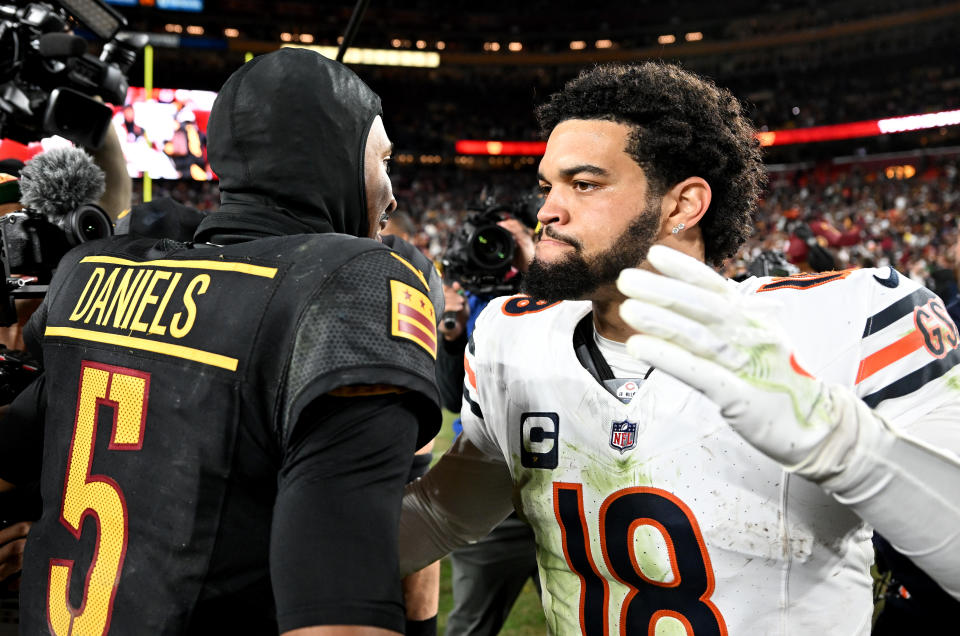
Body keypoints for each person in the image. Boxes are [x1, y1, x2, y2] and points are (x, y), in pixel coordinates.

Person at [399, 62, 960, 634]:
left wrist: (841, 443)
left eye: (584, 184)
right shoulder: (511, 337)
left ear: (683, 205)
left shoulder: (849, 318)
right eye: (547, 185)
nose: (546, 211)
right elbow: (442, 516)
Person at [0, 48, 440, 635]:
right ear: (333, 153)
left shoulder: (90, 274)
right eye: (383, 160)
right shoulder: (345, 284)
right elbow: (339, 611)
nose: (390, 192)